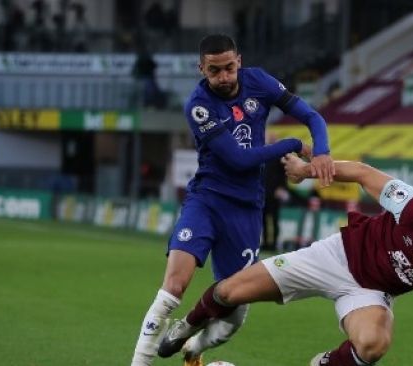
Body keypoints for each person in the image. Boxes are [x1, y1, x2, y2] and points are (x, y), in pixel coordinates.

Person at [158, 155, 413, 366]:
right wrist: (306, 170)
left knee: (374, 345)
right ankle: (186, 326)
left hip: (370, 291)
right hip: (334, 255)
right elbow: (363, 173)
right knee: (229, 292)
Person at [130, 34, 335, 366]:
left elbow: (313, 116)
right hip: (207, 200)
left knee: (235, 313)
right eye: (214, 71)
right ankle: (139, 362)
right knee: (174, 287)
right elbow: (239, 160)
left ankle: (193, 348)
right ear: (202, 69)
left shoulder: (260, 82)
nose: (223, 77)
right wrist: (292, 143)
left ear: (239, 61)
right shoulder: (199, 105)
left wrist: (322, 152)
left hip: (246, 209)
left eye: (229, 68)